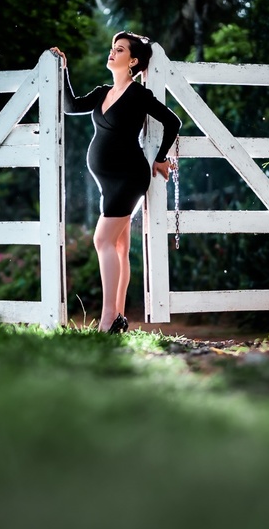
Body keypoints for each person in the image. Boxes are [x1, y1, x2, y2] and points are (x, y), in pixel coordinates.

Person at [50, 32, 181, 334]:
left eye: (119, 50)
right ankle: (118, 318)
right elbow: (70, 106)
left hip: (129, 177)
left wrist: (160, 157)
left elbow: (173, 121)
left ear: (133, 61)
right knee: (119, 247)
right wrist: (64, 69)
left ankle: (108, 320)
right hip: (106, 182)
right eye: (112, 48)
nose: (112, 53)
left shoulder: (138, 95)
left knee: (102, 241)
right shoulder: (102, 92)